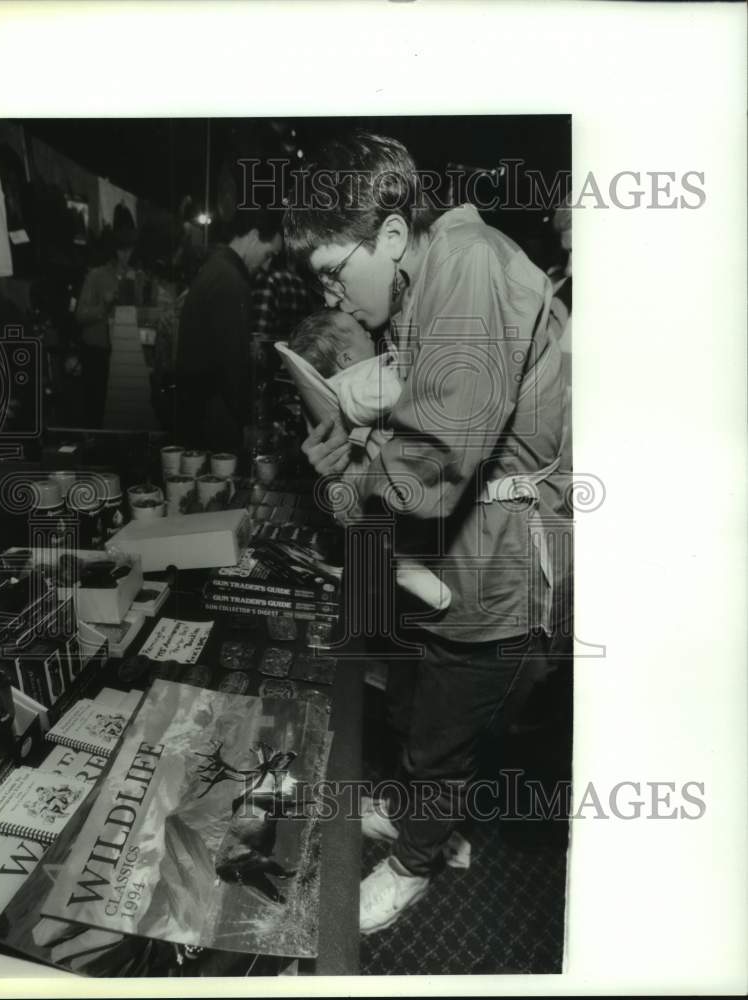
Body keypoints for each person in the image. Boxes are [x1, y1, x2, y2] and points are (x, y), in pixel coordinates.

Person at [283, 132, 571, 935]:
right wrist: (339, 459)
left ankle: (418, 860)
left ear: (395, 235)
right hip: (457, 547)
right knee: (423, 708)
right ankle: (426, 820)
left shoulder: (467, 260)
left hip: (496, 554)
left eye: (337, 273)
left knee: (447, 720)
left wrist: (355, 470)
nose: (335, 298)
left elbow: (438, 455)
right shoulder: (426, 281)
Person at [289, 308, 452, 610]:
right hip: (380, 477)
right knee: (402, 521)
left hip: (378, 481)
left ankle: (409, 566)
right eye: (358, 331)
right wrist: (412, 386)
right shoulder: (358, 380)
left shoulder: (357, 373)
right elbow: (366, 403)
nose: (367, 332)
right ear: (346, 359)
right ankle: (408, 567)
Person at [174, 209, 283, 451]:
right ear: (254, 236)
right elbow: (232, 365)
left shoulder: (217, 267)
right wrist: (249, 423)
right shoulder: (232, 280)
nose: (267, 265)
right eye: (268, 255)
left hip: (197, 409)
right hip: (214, 417)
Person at [74, 226, 136, 426]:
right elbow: (80, 314)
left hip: (124, 351)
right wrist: (103, 306)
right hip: (97, 351)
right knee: (96, 407)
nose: (126, 255)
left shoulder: (136, 276)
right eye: (121, 250)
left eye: (129, 250)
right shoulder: (97, 276)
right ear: (114, 251)